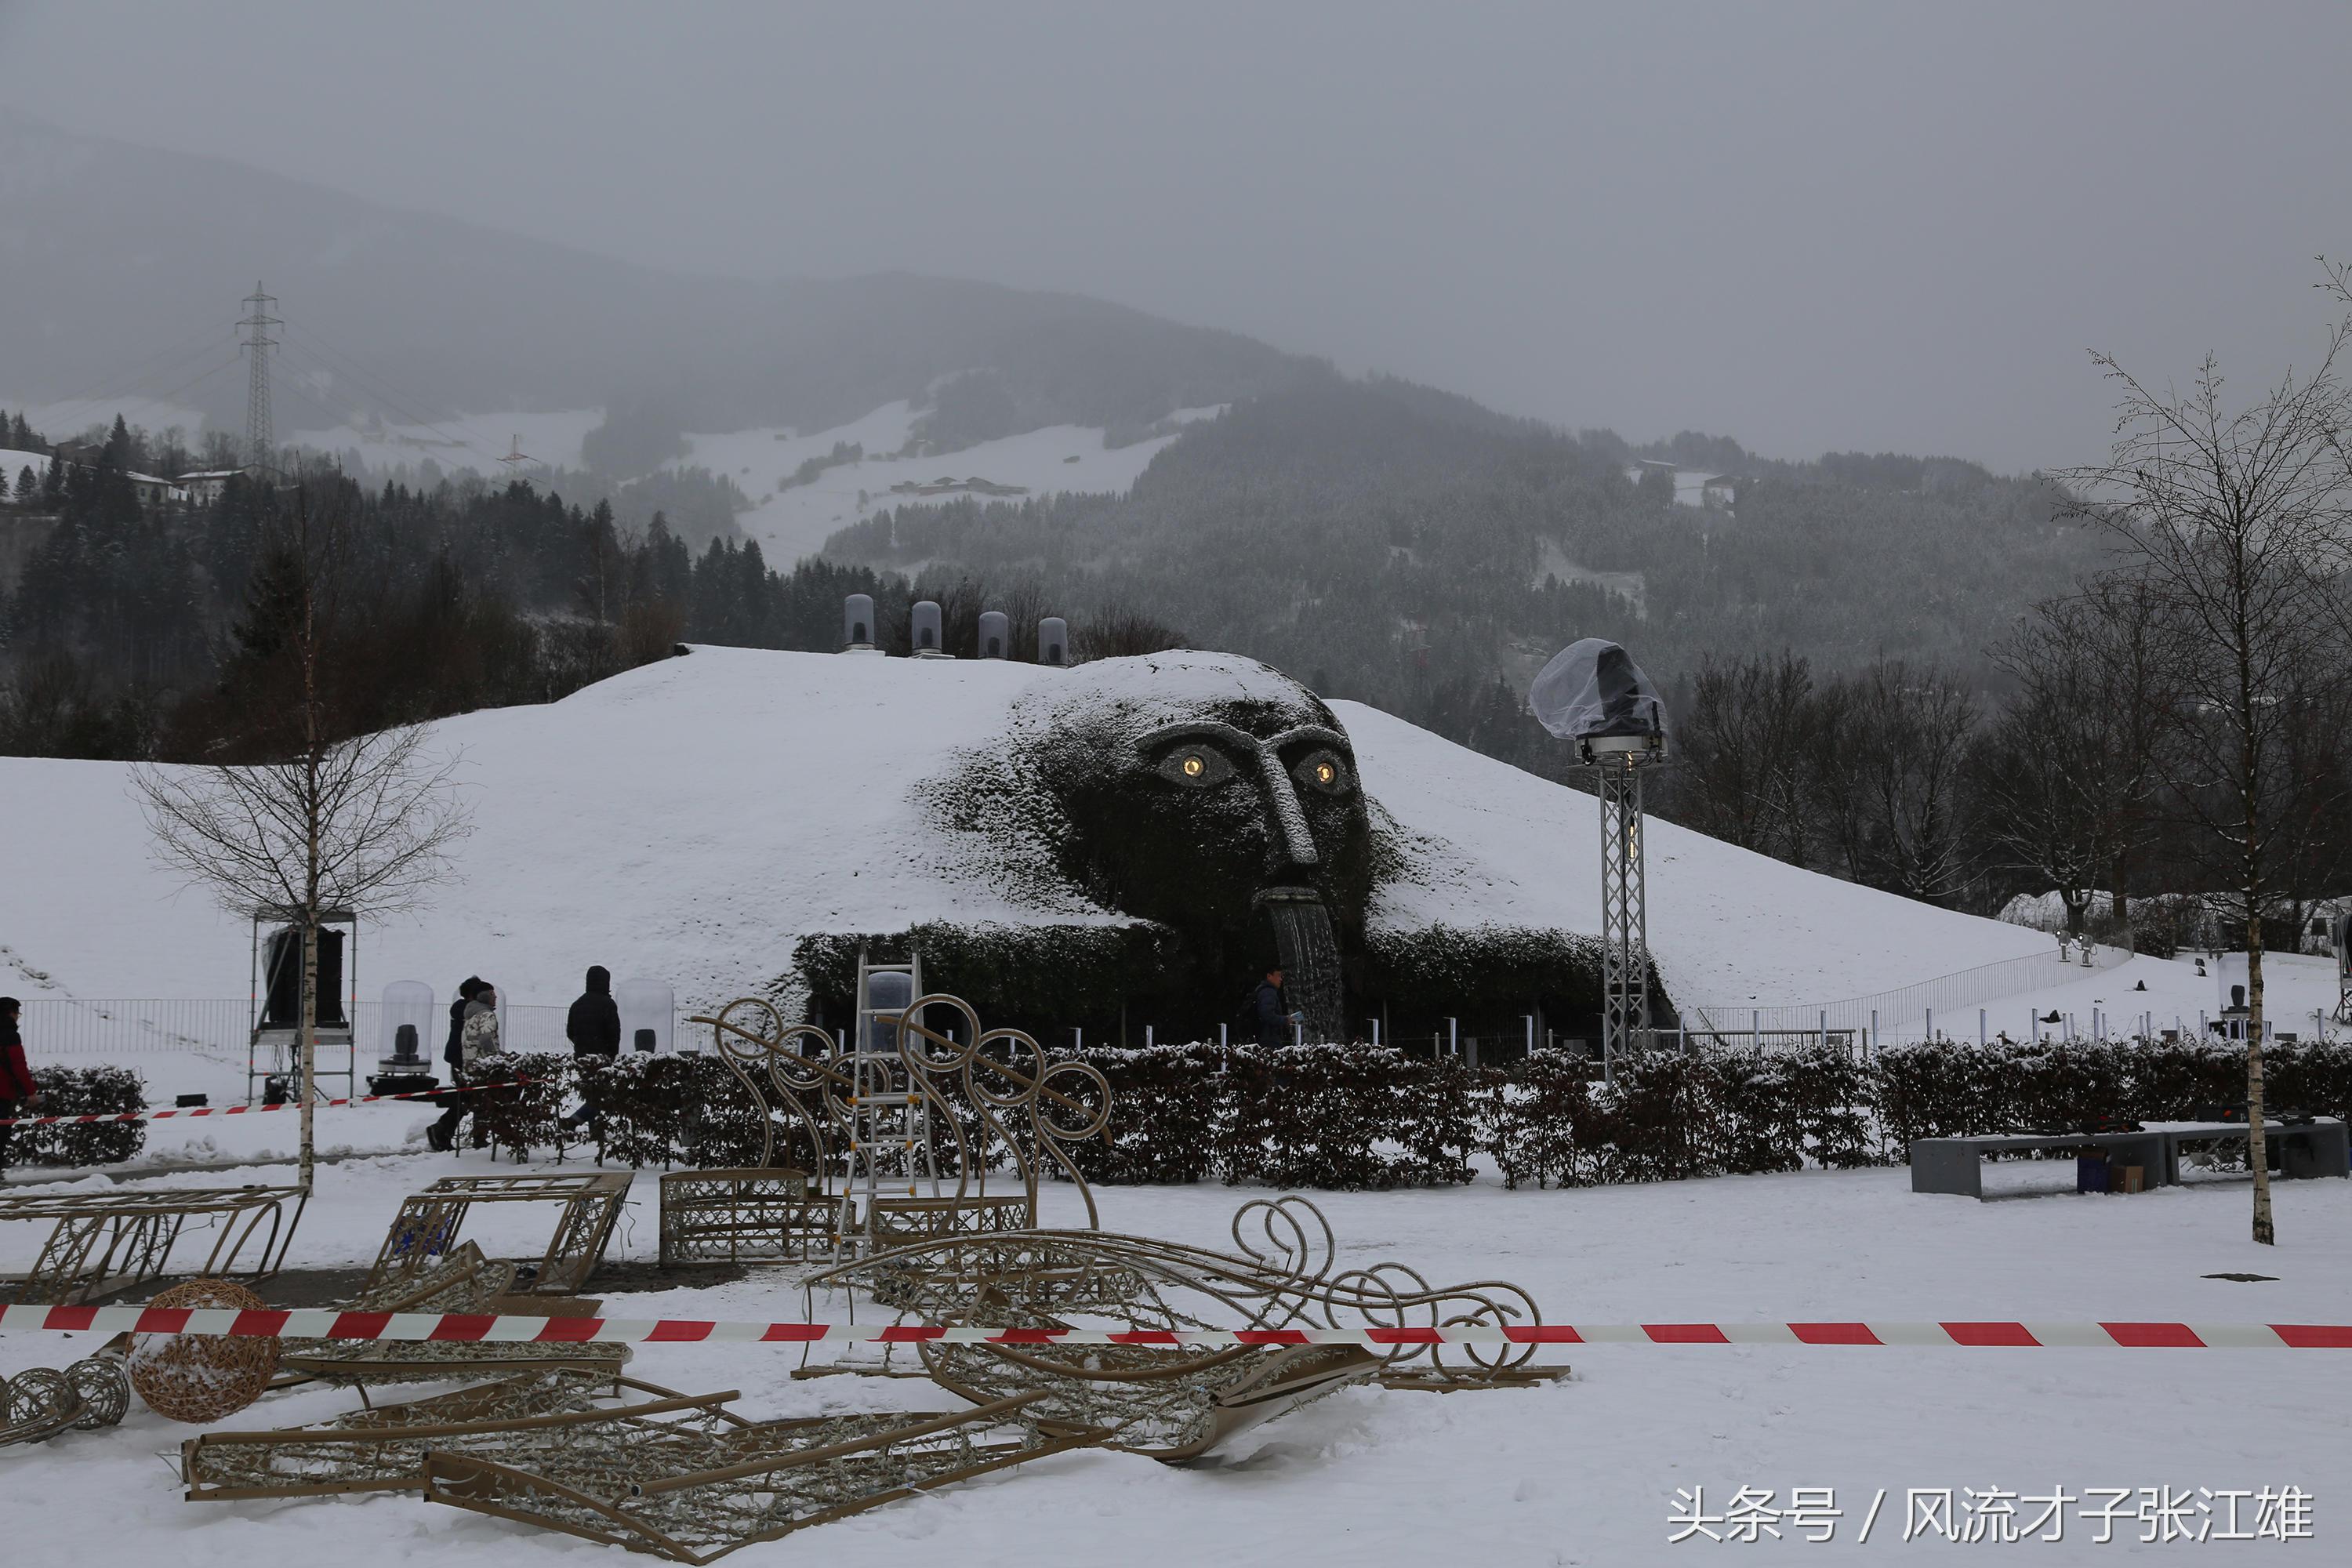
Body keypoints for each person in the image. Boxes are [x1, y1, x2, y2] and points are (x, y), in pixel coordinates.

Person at [430, 981, 501, 1152]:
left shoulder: (466, 1011)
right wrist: (494, 1057)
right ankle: (442, 1130)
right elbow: (484, 1039)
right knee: (468, 1099)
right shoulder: (475, 1012)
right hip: (467, 1060)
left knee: (471, 1099)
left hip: (466, 1060)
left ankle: (469, 1135)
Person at [561, 965, 621, 1134]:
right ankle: (573, 1121)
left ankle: (595, 1129)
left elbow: (570, 1032)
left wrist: (582, 1047)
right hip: (602, 1057)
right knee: (602, 1096)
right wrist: (611, 1055)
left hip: (581, 1057)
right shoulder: (608, 1004)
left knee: (594, 1095)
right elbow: (614, 1033)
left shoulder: (577, 1004)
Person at [0, 998, 39, 1177]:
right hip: (2, 1092)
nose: (17, 1018)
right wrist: (30, 1092)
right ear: (11, 1013)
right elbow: (18, 1065)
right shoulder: (9, 1034)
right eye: (17, 1014)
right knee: (1, 1130)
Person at [1251, 966, 1300, 1050]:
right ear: (1269, 976)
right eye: (1278, 976)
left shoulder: (1263, 991)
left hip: (1265, 1037)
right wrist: (1286, 1019)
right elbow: (1267, 1015)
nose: (1281, 979)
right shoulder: (1268, 992)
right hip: (1268, 1039)